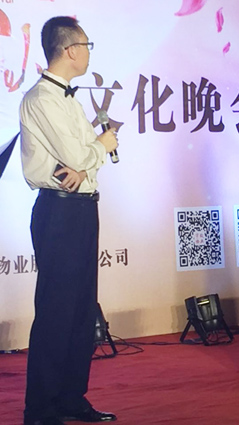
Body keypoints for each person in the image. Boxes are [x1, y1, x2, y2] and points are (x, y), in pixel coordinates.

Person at [19, 16, 118, 425]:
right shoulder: (42, 98)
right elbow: (79, 155)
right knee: (56, 311)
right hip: (59, 210)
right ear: (70, 50)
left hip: (81, 207)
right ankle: (41, 410)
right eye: (86, 45)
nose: (89, 52)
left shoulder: (70, 100)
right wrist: (102, 146)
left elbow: (80, 160)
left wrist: (87, 160)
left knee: (80, 311)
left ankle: (71, 398)